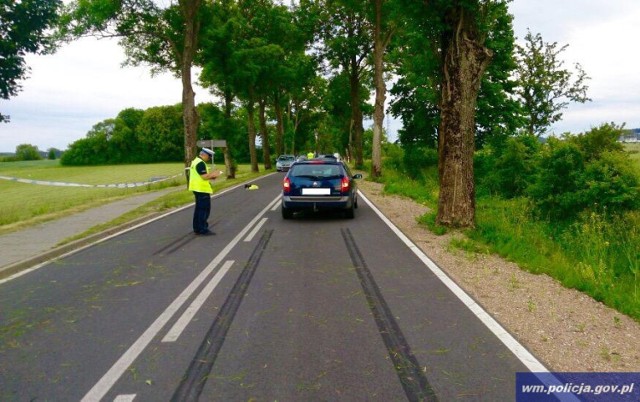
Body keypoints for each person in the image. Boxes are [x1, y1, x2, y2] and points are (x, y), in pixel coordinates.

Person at [189, 148, 222, 235]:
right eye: (209, 156)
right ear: (204, 154)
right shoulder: (200, 163)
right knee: (204, 210)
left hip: (196, 188)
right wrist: (214, 174)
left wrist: (211, 176)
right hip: (201, 189)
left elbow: (201, 176)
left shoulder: (195, 161)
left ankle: (197, 228)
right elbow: (204, 177)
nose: (209, 159)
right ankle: (203, 229)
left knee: (198, 209)